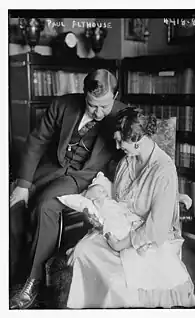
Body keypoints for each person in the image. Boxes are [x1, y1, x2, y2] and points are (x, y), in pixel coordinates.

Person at [9, 69, 126, 309]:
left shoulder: (122, 116)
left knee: (44, 206)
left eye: (104, 106)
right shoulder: (63, 104)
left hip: (83, 178)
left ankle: (34, 281)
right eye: (93, 106)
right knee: (14, 202)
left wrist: (101, 185)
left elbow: (132, 157)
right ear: (84, 95)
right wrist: (22, 185)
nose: (99, 112)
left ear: (115, 96)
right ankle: (12, 273)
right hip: (51, 169)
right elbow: (37, 141)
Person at [66, 107, 195, 309]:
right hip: (122, 226)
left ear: (137, 139)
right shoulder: (126, 162)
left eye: (121, 141)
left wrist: (121, 244)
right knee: (84, 250)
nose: (117, 147)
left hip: (148, 240)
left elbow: (157, 228)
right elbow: (119, 198)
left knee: (118, 283)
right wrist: (97, 210)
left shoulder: (164, 170)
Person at [58, 173, 143, 240]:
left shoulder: (107, 200)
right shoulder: (99, 202)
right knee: (121, 228)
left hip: (119, 212)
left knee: (130, 219)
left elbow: (117, 206)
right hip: (113, 218)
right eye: (100, 191)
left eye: (103, 189)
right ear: (93, 198)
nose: (104, 191)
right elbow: (106, 214)